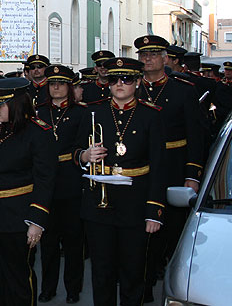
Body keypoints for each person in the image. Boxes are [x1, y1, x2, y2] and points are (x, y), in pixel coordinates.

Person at [75, 57, 167, 306]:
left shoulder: (151, 115)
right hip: (98, 202)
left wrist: (154, 211)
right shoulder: (94, 111)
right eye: (114, 79)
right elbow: (74, 152)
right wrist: (85, 155)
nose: (119, 84)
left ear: (137, 82)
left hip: (136, 204)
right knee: (101, 272)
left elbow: (160, 166)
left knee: (132, 271)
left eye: (126, 79)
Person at [0, 77, 57, 306]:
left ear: (17, 105)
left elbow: (45, 180)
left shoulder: (38, 133)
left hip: (17, 217)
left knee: (19, 278)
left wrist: (37, 221)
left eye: (1, 104)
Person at [134, 35, 204, 302]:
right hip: (143, 168)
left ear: (166, 58)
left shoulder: (183, 90)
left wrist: (192, 175)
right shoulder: (133, 88)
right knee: (143, 230)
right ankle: (145, 284)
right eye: (143, 54)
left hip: (175, 167)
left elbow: (196, 136)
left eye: (153, 54)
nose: (147, 58)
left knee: (172, 230)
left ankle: (173, 283)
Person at [35, 65, 87, 304]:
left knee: (73, 240)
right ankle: (48, 287)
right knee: (48, 242)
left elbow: (81, 146)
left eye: (61, 83)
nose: (55, 87)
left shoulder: (81, 113)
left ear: (69, 86)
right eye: (52, 83)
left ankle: (73, 288)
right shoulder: (38, 112)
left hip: (70, 180)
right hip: (45, 183)